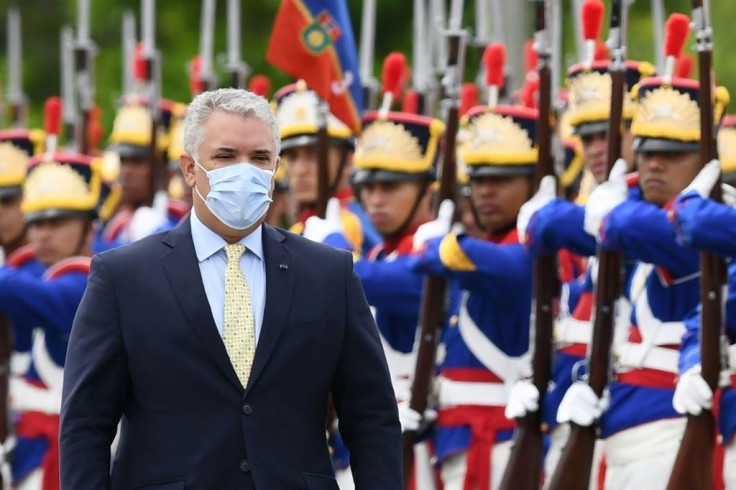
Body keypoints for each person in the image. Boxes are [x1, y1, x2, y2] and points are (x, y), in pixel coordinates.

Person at [60, 88, 401, 490]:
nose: (244, 171)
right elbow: (86, 423)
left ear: (276, 166)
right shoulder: (123, 277)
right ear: (189, 168)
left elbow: (371, 416)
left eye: (259, 158)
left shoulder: (329, 273)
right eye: (225, 157)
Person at [557, 76, 730, 489]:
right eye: (647, 150)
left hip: (668, 432)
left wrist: (607, 216)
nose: (653, 164)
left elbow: (667, 231)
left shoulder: (709, 224)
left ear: (706, 160)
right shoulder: (643, 217)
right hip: (621, 434)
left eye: (673, 153)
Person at [411, 103, 537, 490]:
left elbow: (512, 269)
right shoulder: (486, 249)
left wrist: (443, 246)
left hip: (500, 441)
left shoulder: (526, 251)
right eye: (478, 179)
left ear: (534, 183)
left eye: (501, 179)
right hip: (456, 439)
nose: (484, 190)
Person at [0, 150, 100, 490]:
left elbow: (17, 291)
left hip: (64, 452)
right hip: (29, 445)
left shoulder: (87, 283)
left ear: (89, 229)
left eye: (57, 222)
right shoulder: (36, 273)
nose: (44, 234)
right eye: (37, 223)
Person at [275, 81, 381, 255]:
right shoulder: (297, 229)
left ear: (347, 161)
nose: (300, 170)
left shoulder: (358, 226)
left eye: (314, 155)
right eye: (292, 157)